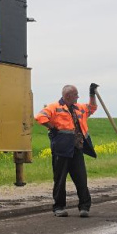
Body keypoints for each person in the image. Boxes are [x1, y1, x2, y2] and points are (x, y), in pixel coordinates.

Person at [35, 83, 99, 217]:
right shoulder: (54, 107)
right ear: (68, 96)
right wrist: (51, 127)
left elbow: (92, 108)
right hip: (61, 149)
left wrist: (92, 94)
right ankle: (59, 207)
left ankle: (84, 207)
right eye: (76, 94)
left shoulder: (79, 107)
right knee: (60, 179)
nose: (78, 97)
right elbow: (39, 117)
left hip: (77, 149)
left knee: (81, 179)